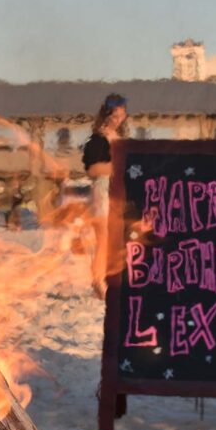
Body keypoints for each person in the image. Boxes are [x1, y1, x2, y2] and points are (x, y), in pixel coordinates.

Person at [82, 92, 128, 297]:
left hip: (116, 192)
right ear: (107, 115)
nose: (119, 119)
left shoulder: (117, 138)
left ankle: (107, 278)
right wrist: (116, 167)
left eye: (122, 115)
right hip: (102, 191)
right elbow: (92, 169)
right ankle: (98, 280)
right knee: (103, 238)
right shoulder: (98, 139)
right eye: (115, 115)